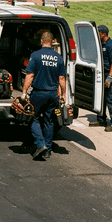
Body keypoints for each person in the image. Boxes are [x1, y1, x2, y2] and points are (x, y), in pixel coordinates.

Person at [21, 30, 66, 160]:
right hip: (52, 94)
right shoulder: (58, 57)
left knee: (33, 118)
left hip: (38, 93)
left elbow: (30, 75)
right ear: (52, 42)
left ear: (41, 41)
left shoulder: (35, 55)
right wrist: (63, 95)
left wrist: (24, 92)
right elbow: (62, 78)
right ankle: (48, 149)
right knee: (49, 121)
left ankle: (40, 144)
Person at [89, 25, 112, 132]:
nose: (96, 35)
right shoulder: (100, 44)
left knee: (110, 99)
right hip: (100, 74)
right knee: (100, 98)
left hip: (108, 75)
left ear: (103, 34)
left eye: (98, 33)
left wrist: (109, 78)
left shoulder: (111, 46)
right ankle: (101, 119)